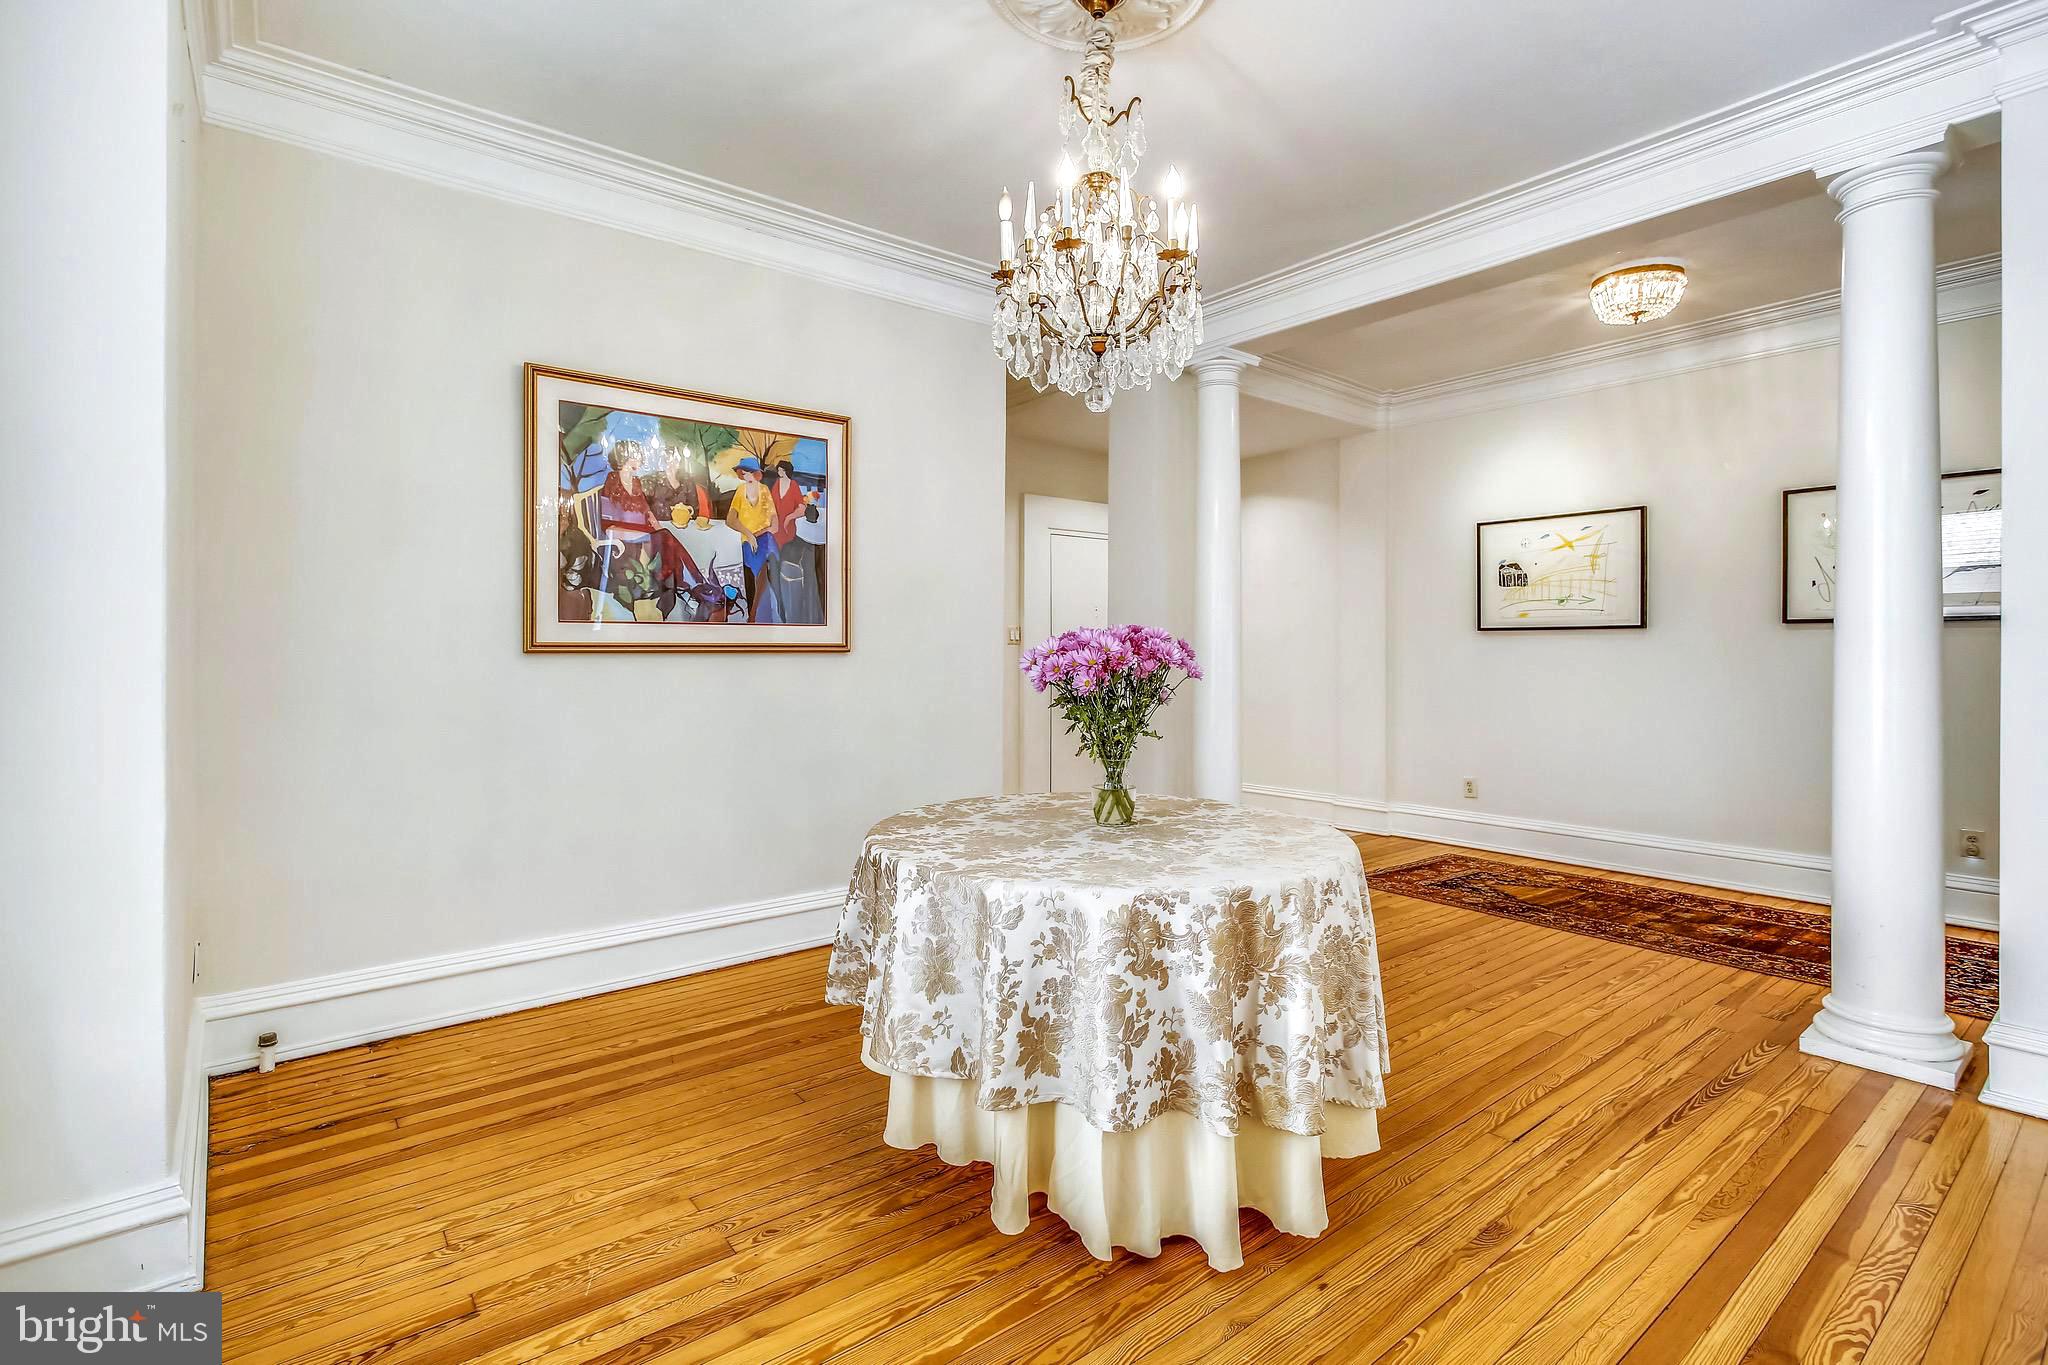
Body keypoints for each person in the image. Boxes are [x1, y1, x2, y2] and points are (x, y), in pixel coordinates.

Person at [725, 455, 782, 622]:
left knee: (766, 560)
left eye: (749, 472)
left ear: (756, 473)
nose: (745, 475)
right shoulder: (740, 491)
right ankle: (752, 612)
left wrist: (758, 534)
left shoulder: (764, 490)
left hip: (764, 537)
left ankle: (756, 613)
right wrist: (749, 535)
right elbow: (730, 519)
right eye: (743, 473)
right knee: (750, 568)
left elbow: (774, 521)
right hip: (746, 539)